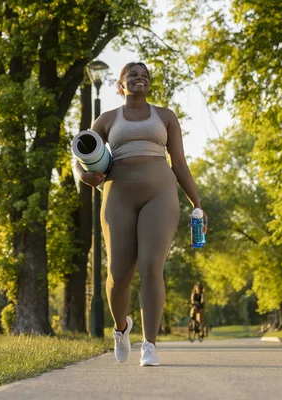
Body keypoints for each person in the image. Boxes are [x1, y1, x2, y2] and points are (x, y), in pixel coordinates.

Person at [75, 62, 208, 367]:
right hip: (118, 195)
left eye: (144, 76)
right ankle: (121, 329)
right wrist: (85, 176)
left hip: (160, 194)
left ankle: (149, 344)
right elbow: (82, 157)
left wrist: (197, 204)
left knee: (151, 267)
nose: (139, 78)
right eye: (132, 75)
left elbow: (180, 164)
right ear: (120, 85)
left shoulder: (165, 116)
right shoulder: (107, 119)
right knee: (118, 274)